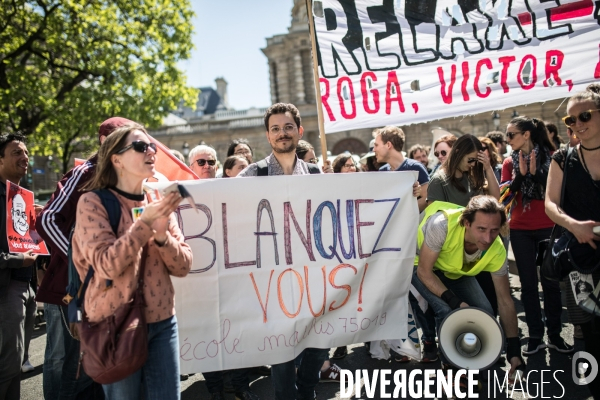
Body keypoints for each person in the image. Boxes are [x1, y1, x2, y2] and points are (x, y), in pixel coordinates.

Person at [72, 123, 192, 399]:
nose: (151, 151)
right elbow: (106, 265)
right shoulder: (92, 203)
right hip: (114, 324)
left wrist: (162, 237)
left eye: (152, 146)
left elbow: (183, 265)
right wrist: (145, 223)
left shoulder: (156, 198)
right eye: (140, 146)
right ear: (116, 159)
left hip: (163, 323)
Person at [36, 117, 133, 400]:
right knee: (62, 360)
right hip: (67, 290)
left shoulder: (123, 182)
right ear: (106, 143)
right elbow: (48, 218)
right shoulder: (85, 173)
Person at [412, 196, 524, 380]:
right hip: (420, 265)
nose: (487, 238)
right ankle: (452, 368)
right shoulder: (442, 226)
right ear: (466, 223)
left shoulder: (497, 250)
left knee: (484, 313)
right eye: (481, 229)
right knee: (447, 310)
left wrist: (514, 348)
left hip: (452, 270)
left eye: (494, 231)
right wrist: (456, 302)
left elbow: (505, 301)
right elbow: (425, 273)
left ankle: (472, 357)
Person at [545, 83, 600, 399]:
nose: (578, 124)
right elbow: (550, 203)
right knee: (591, 332)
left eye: (585, 116)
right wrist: (573, 225)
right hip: (582, 254)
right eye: (571, 120)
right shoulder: (562, 158)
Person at [502, 116, 572, 356]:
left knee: (551, 283)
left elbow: (558, 192)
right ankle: (535, 336)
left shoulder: (553, 158)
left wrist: (537, 172)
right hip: (521, 230)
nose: (507, 139)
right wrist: (521, 175)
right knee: (528, 285)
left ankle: (555, 335)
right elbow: (505, 196)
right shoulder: (508, 162)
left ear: (526, 135)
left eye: (511, 134)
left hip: (548, 227)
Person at [427, 134, 501, 316]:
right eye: (471, 160)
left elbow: (495, 201)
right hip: (448, 258)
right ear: (458, 153)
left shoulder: (472, 177)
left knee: (487, 308)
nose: (472, 164)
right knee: (451, 310)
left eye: (476, 161)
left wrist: (488, 168)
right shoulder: (439, 181)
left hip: (474, 251)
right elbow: (432, 220)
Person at [0, 134, 38, 400]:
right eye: (16, 152)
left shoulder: (22, 198)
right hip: (7, 289)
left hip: (28, 287)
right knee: (8, 365)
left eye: (25, 152)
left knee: (15, 367)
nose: (24, 157)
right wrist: (18, 260)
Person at [373, 126, 429, 212]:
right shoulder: (382, 171)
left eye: (376, 145)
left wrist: (401, 213)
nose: (374, 149)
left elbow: (428, 198)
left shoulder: (415, 168)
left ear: (388, 145)